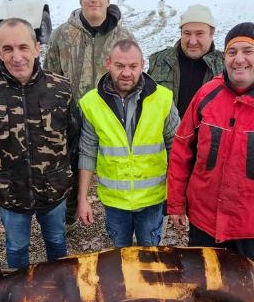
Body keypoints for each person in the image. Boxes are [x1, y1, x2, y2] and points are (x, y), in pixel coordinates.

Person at [167, 22, 254, 270]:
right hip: (203, 218)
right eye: (232, 52)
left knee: (244, 289)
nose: (239, 59)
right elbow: (181, 151)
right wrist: (176, 203)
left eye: (248, 51)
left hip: (249, 224)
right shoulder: (206, 94)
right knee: (201, 281)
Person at [0, 18, 78, 270]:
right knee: (16, 247)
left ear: (37, 48)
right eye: (8, 49)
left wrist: (67, 175)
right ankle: (18, 293)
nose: (17, 57)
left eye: (23, 47)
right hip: (9, 191)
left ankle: (59, 287)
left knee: (57, 241)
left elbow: (74, 137)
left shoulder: (61, 88)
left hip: (54, 188)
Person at [43, 0, 134, 229]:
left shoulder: (123, 37)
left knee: (115, 167)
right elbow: (48, 76)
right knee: (71, 167)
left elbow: (134, 76)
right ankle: (70, 215)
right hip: (71, 116)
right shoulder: (62, 35)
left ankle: (119, 221)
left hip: (111, 117)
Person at [76, 39, 179, 247]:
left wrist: (177, 199)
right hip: (115, 201)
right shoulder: (91, 103)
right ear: (108, 64)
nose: (126, 73)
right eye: (119, 66)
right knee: (120, 254)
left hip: (152, 198)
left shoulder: (163, 99)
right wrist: (82, 198)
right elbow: (87, 151)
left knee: (149, 253)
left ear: (142, 64)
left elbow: (176, 148)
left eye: (133, 66)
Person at [147, 4, 224, 117]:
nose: (192, 41)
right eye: (187, 33)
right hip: (166, 134)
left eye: (199, 34)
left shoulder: (225, 66)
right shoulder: (159, 61)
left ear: (211, 34)